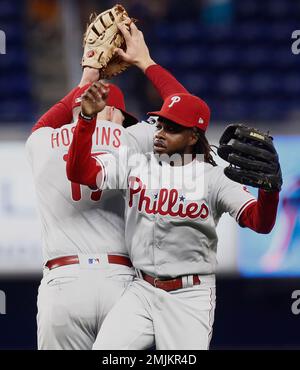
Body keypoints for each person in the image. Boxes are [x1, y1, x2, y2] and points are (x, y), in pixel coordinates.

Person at [66, 38, 280, 350]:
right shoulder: (137, 163)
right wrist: (85, 119)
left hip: (189, 296)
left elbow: (260, 223)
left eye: (172, 128)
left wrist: (269, 193)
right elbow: (80, 173)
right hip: (141, 288)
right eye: (161, 123)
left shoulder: (215, 176)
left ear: (194, 135)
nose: (161, 132)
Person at [26, 20, 189, 350]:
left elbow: (44, 122)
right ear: (118, 114)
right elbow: (186, 111)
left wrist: (87, 77)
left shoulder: (41, 140)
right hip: (121, 284)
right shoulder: (138, 137)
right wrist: (145, 61)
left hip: (62, 282)